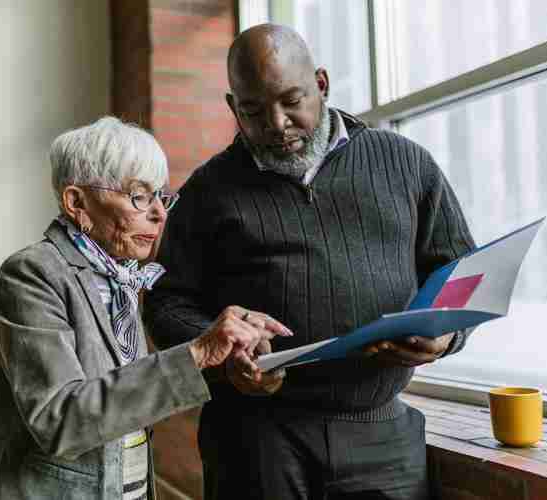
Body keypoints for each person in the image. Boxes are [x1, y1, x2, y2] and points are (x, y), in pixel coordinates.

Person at [144, 24, 476, 499]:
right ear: (232, 106)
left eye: (291, 101)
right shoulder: (207, 192)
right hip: (253, 440)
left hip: (381, 436)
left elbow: (461, 271)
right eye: (253, 110)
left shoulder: (406, 163)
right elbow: (166, 303)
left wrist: (448, 335)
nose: (276, 124)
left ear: (320, 83)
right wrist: (222, 353)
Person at [0, 116, 292, 500]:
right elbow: (61, 421)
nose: (159, 213)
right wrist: (198, 352)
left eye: (160, 196)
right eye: (139, 196)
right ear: (77, 202)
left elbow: (123, 393)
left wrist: (227, 361)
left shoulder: (119, 275)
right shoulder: (32, 275)